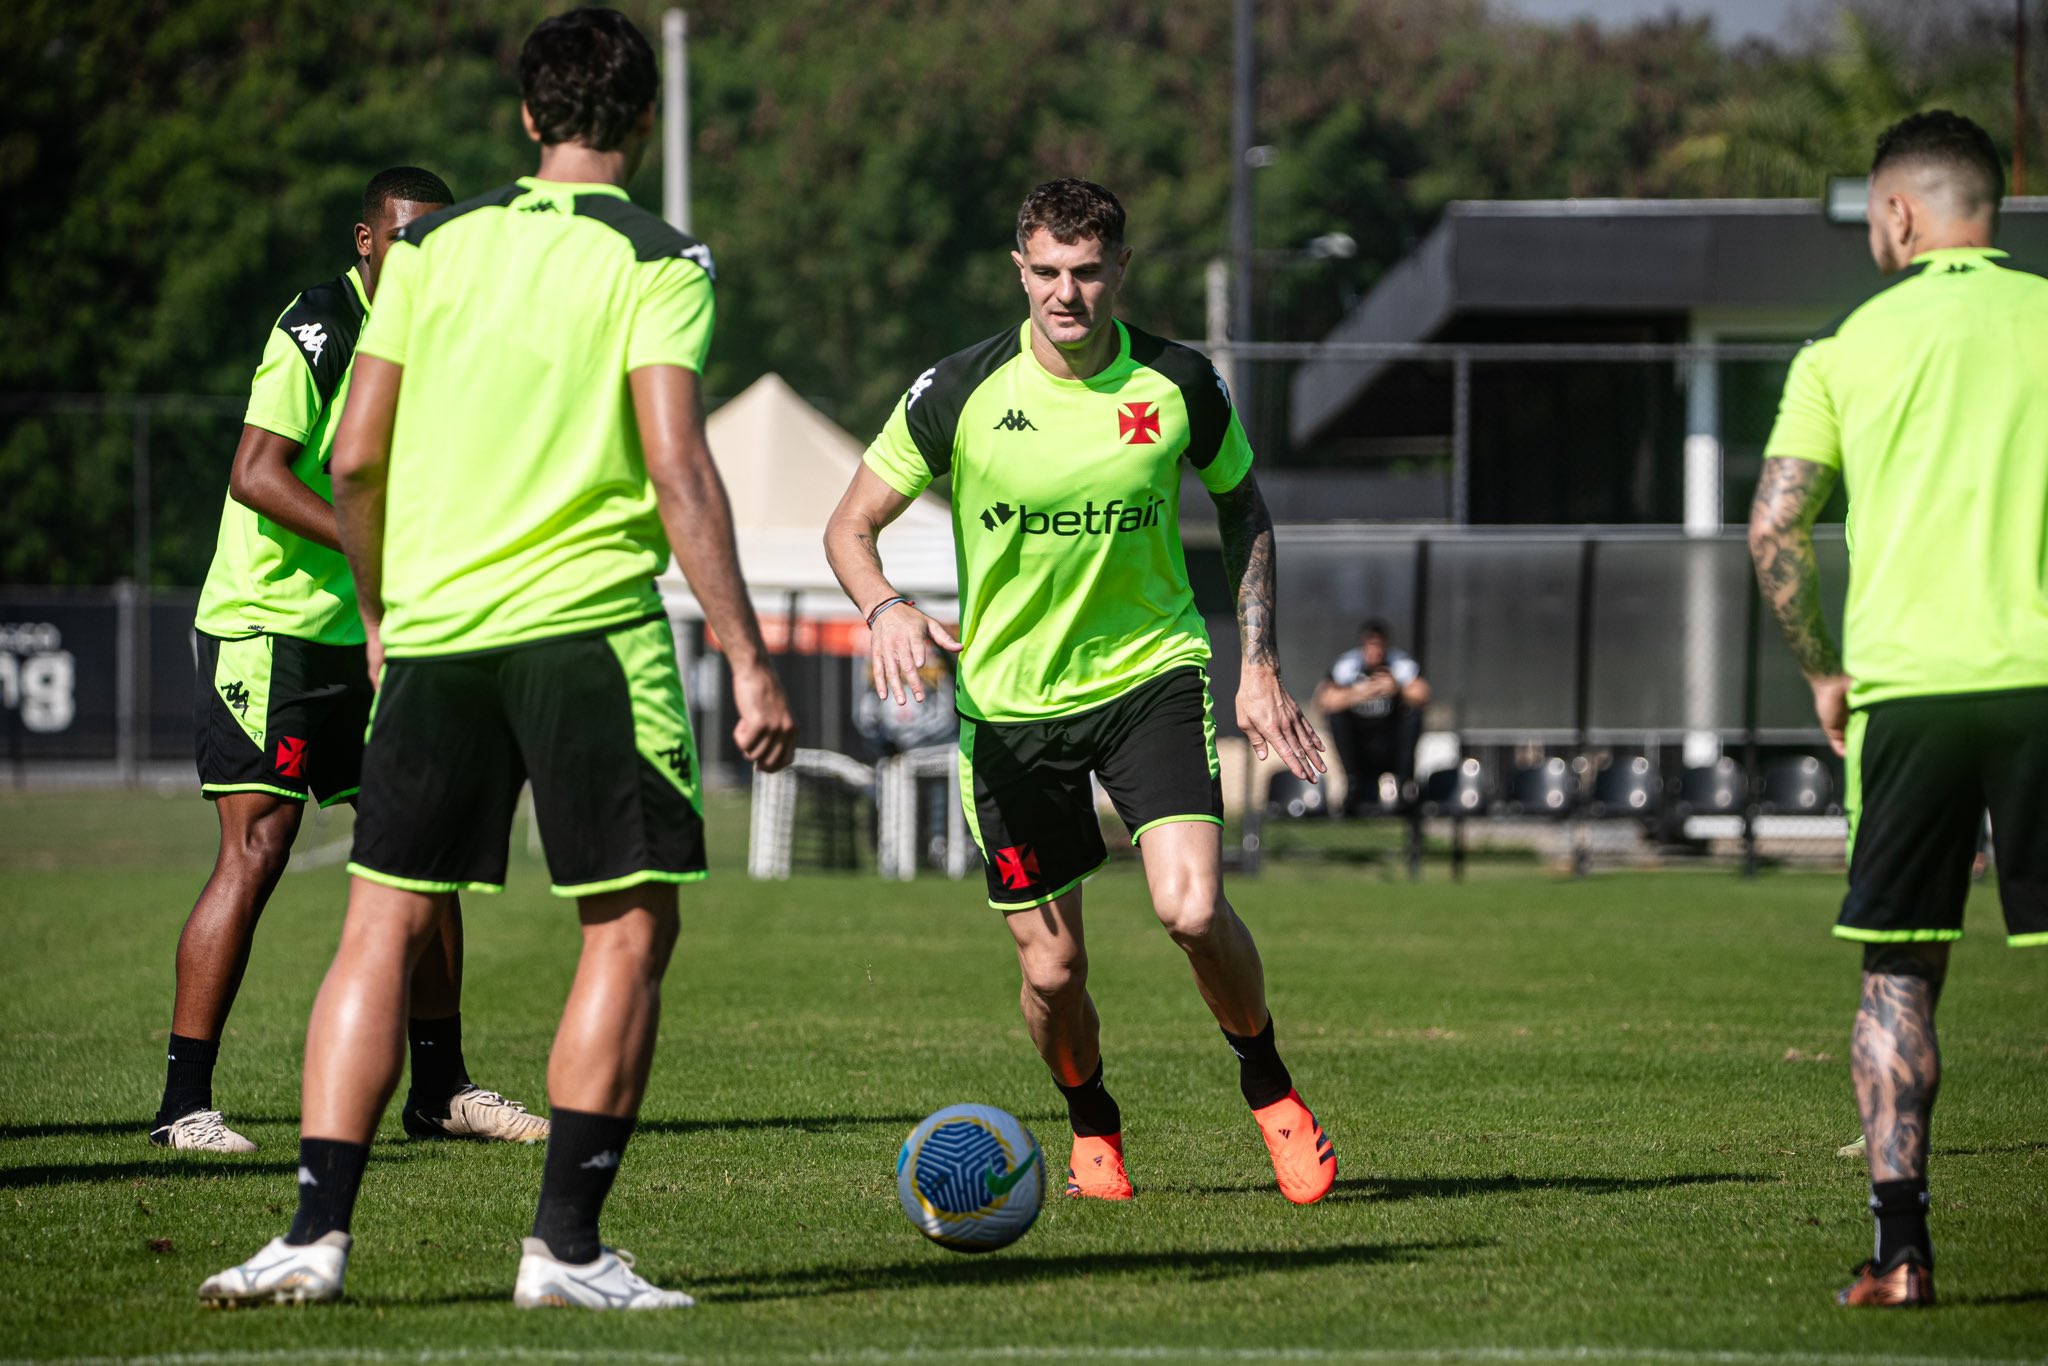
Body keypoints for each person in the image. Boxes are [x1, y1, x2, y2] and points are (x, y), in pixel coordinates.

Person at [199, 8, 795, 1311]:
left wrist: (379, 607)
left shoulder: (432, 248)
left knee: (380, 917)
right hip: (587, 626)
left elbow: (352, 457)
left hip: (437, 629)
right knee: (630, 922)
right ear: (641, 123)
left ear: (528, 117)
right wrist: (749, 655)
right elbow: (679, 466)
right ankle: (566, 1252)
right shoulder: (660, 256)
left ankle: (310, 1235)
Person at [824, 178, 1336, 1207]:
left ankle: (1269, 1085)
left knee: (1190, 911)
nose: (1068, 293)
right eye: (1048, 271)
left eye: (1088, 271)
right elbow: (849, 526)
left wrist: (1259, 663)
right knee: (1052, 974)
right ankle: (1092, 1121)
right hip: (1007, 712)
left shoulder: (1179, 382)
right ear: (1018, 268)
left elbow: (1245, 510)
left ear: (1121, 270)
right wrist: (883, 606)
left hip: (1147, 676)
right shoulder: (956, 391)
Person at [159, 167, 545, 1154]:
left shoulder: (444, 339)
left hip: (377, 633)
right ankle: (184, 1104)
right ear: (366, 240)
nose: (419, 253)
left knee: (427, 857)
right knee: (258, 848)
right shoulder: (320, 324)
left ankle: (442, 1089)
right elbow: (255, 474)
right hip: (268, 628)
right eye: (403, 236)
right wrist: (378, 546)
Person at [1749, 109, 2047, 1309]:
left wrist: (1822, 665)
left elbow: (1774, 527)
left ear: (1897, 213)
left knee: (1897, 975)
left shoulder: (1841, 349)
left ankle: (1898, 1251)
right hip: (2042, 680)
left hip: (1906, 695)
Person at [1313, 619, 1430, 816]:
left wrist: (1397, 689)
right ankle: (1353, 787)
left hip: (1391, 742)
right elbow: (1324, 700)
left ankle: (1405, 787)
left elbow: (1423, 695)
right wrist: (1359, 693)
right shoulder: (1347, 666)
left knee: (1413, 714)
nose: (1375, 653)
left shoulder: (1400, 665)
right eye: (1370, 645)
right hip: (1359, 744)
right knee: (1336, 716)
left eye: (1379, 646)